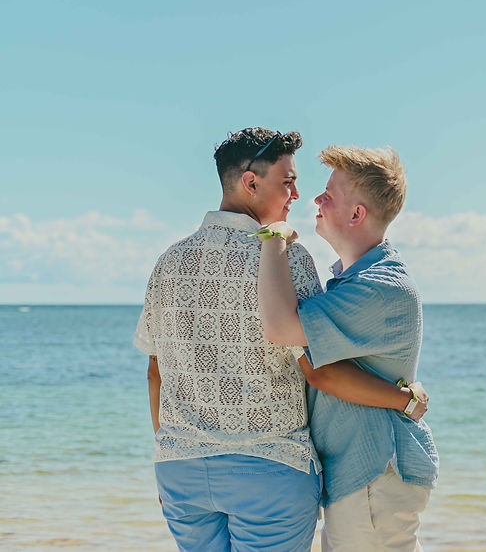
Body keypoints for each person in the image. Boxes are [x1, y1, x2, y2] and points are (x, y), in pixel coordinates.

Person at [134, 128, 426, 552]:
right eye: (287, 181)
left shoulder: (168, 262)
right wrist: (404, 399)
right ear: (251, 183)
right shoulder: (287, 258)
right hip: (269, 468)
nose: (297, 194)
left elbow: (154, 371)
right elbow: (317, 368)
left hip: (180, 472)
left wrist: (167, 453)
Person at [256, 145, 439, 552]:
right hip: (365, 475)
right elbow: (323, 370)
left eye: (328, 195)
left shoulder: (377, 286)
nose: (316, 200)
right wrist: (403, 399)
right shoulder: (358, 281)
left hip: (374, 473)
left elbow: (284, 331)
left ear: (357, 214)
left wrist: (274, 236)